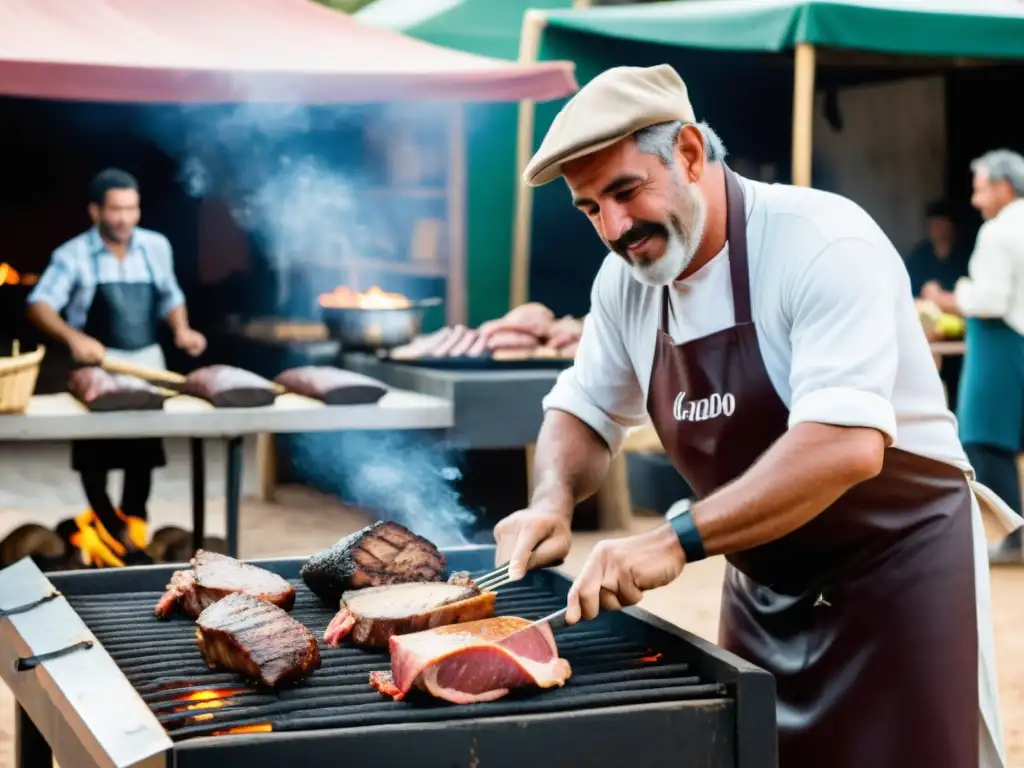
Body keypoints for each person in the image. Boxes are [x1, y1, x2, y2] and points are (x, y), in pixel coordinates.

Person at [494, 65, 1006, 768]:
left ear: (692, 153)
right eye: (590, 209)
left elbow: (844, 447)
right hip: (765, 583)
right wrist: (550, 501)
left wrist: (672, 541)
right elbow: (583, 409)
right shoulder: (626, 283)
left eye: (625, 190)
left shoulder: (822, 243)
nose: (614, 228)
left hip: (897, 576)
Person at [27, 168, 206, 566]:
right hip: (98, 371)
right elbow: (39, 305)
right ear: (95, 211)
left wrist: (182, 330)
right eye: (115, 209)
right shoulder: (72, 254)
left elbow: (170, 295)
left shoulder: (156, 246)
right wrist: (74, 338)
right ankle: (110, 529)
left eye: (131, 208)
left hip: (148, 367)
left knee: (142, 455)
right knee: (96, 456)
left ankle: (131, 527)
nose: (124, 218)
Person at [921, 149, 1024, 565]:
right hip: (1013, 340)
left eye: (981, 190)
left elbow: (990, 300)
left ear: (1003, 187)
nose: (977, 200)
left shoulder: (999, 231)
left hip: (1000, 342)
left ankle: (1015, 536)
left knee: (983, 438)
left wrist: (946, 297)